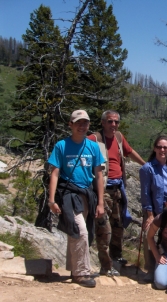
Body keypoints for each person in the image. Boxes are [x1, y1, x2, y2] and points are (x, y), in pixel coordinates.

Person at [48, 110, 105, 288]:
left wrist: (101, 202)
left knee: (81, 230)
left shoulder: (93, 147)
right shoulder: (61, 146)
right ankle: (82, 272)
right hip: (68, 194)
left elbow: (99, 175)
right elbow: (55, 173)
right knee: (79, 229)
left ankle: (73, 269)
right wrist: (51, 200)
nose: (82, 126)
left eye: (85, 123)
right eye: (78, 122)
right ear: (70, 125)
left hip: (87, 194)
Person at [87, 110, 145, 276]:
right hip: (102, 190)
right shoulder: (94, 139)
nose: (113, 125)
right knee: (104, 229)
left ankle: (116, 257)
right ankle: (106, 265)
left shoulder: (119, 137)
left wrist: (145, 165)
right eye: (110, 121)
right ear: (103, 122)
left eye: (116, 122)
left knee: (118, 225)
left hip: (118, 189)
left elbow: (129, 151)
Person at [140, 136, 167, 283]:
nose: (162, 150)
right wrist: (150, 215)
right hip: (156, 209)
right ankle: (151, 268)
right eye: (159, 147)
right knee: (149, 233)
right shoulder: (147, 168)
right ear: (155, 148)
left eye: (165, 147)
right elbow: (145, 193)